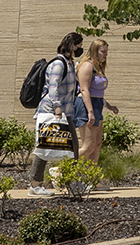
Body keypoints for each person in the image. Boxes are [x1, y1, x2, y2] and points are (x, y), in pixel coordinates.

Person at [29, 31, 85, 196]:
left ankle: (73, 183)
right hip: (52, 111)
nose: (80, 49)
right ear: (72, 45)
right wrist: (57, 108)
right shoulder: (59, 64)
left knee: (73, 147)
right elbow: (53, 87)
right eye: (79, 46)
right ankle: (35, 185)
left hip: (65, 112)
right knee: (45, 147)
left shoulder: (69, 63)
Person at [78, 37, 120, 168]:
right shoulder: (87, 66)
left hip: (97, 105)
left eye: (107, 52)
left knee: (97, 144)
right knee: (88, 146)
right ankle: (63, 170)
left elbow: (98, 93)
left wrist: (109, 106)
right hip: (86, 106)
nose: (106, 55)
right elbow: (84, 90)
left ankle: (90, 176)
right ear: (95, 51)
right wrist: (90, 112)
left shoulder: (99, 68)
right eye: (103, 51)